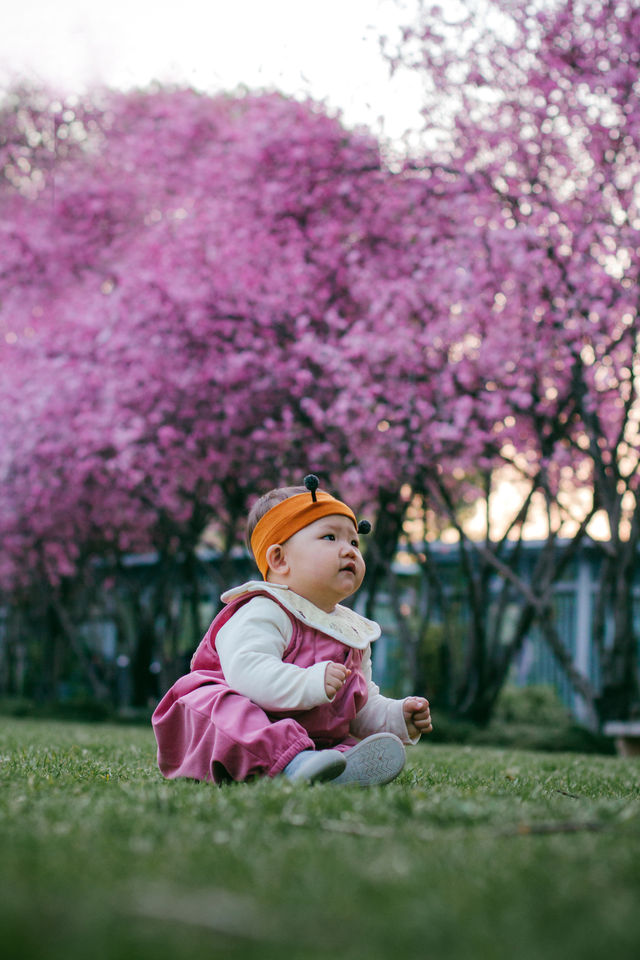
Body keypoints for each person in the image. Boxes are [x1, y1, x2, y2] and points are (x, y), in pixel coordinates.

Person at [152, 475, 432, 786]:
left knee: (339, 735)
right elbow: (248, 672)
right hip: (235, 730)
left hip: (309, 737)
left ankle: (325, 767)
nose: (350, 550)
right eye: (330, 538)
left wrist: (396, 716)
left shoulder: (350, 631)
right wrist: (309, 681)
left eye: (354, 541)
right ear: (279, 559)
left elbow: (358, 704)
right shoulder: (264, 609)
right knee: (223, 707)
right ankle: (294, 762)